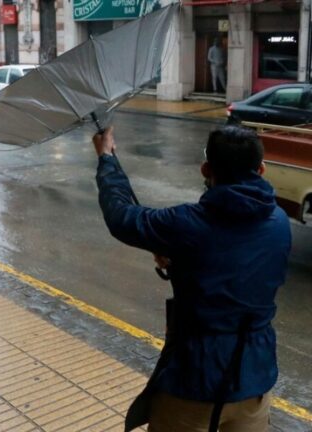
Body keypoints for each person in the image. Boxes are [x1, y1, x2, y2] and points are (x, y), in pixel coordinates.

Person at [93, 125, 291, 432]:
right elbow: (237, 268)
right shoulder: (279, 221)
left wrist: (106, 157)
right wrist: (181, 260)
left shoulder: (186, 225)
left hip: (193, 383)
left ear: (206, 168)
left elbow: (121, 216)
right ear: (261, 169)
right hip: (255, 382)